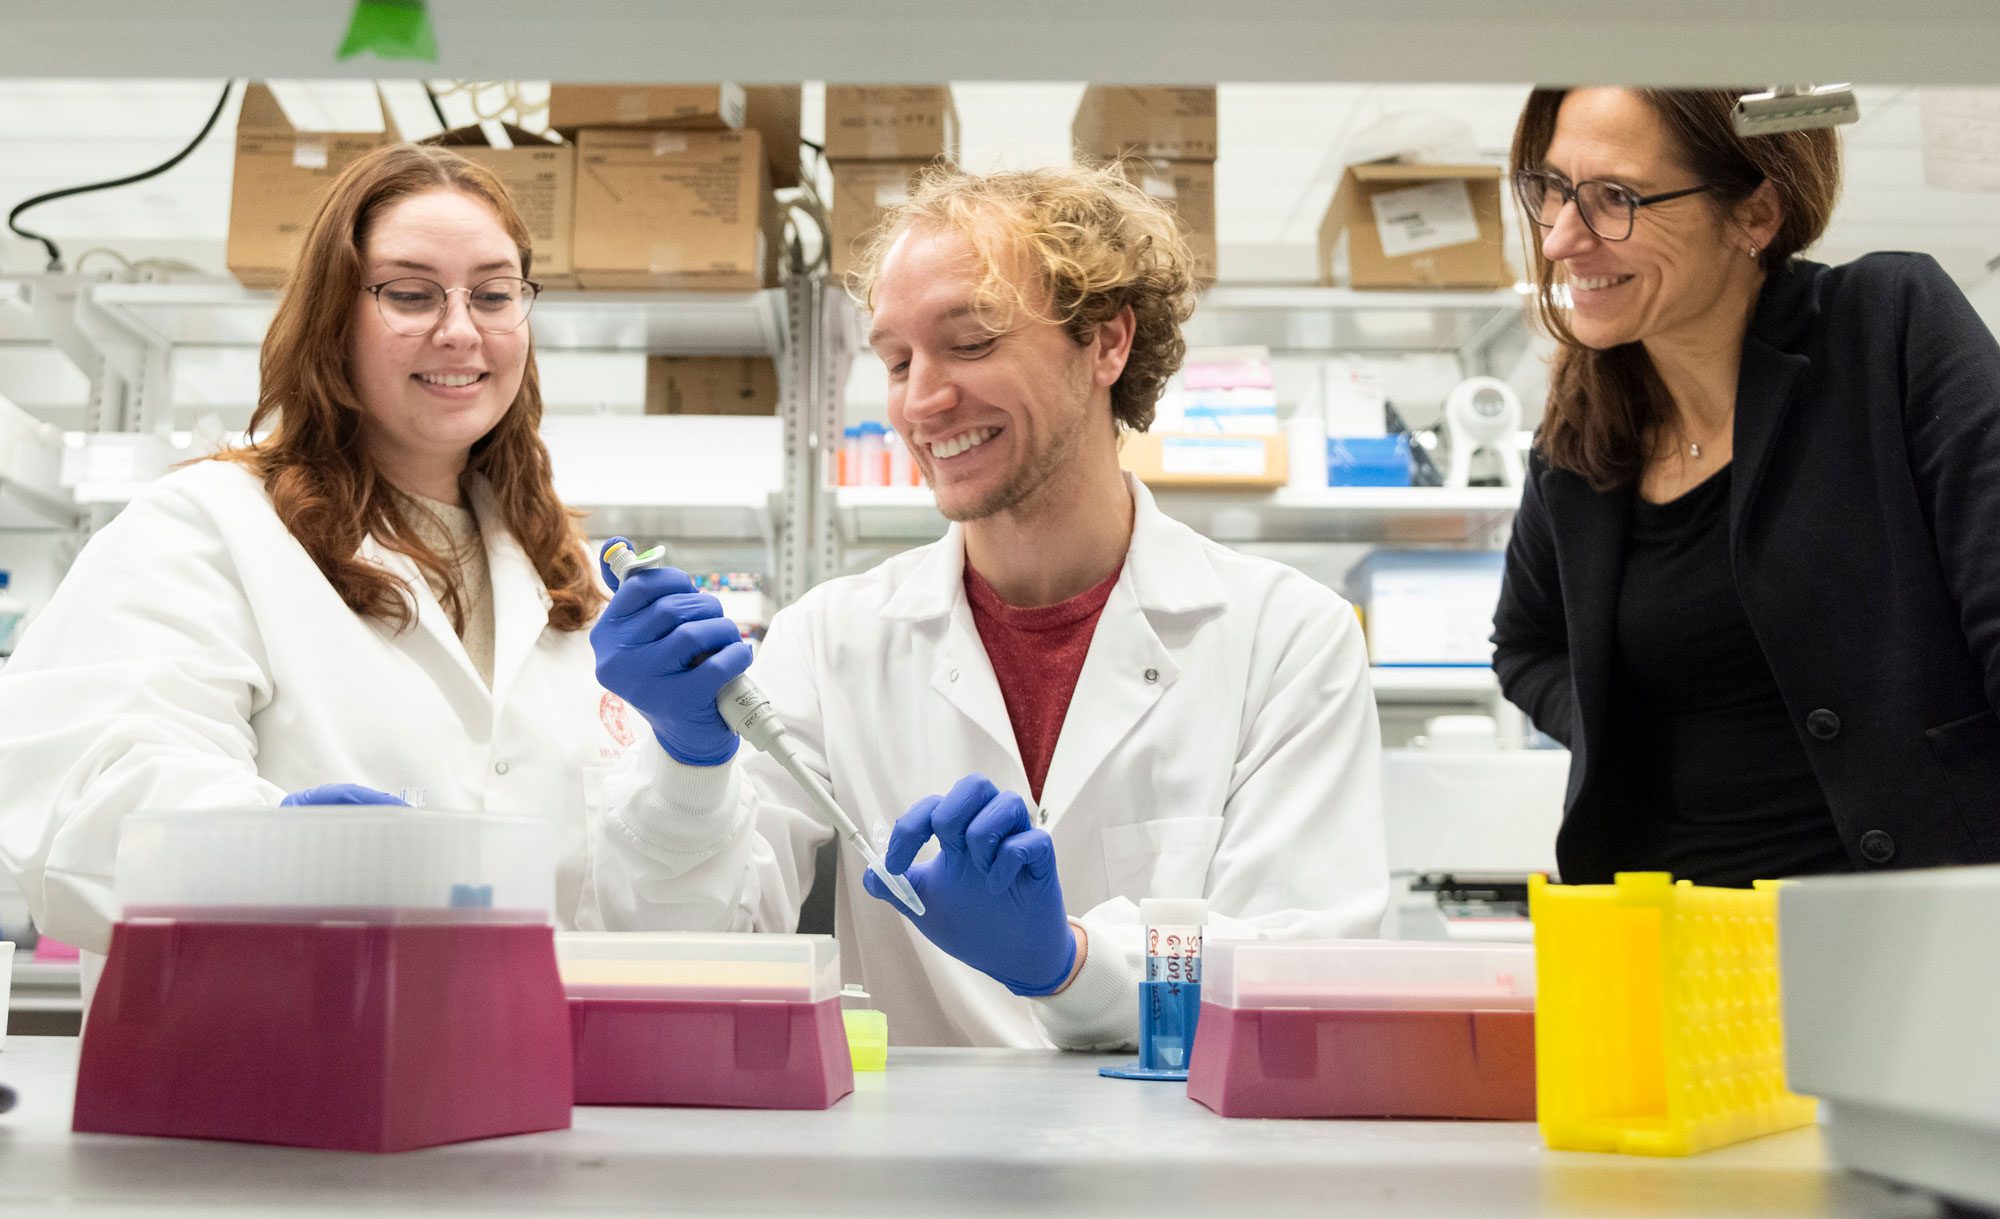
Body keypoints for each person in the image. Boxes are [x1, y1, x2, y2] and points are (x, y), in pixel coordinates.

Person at [587, 164, 1388, 1049]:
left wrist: (1070, 963)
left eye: (969, 343)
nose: (922, 401)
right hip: (921, 1179)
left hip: (1177, 1177)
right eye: (897, 361)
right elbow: (689, 957)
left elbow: (1308, 968)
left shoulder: (1286, 638)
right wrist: (688, 769)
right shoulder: (829, 642)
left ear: (1107, 345)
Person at [0, 144, 628, 962]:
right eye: (410, 294)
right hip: (268, 1055)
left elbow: (629, 896)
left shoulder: (567, 578)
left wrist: (694, 768)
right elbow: (80, 797)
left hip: (520, 1062)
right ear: (333, 315)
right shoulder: (207, 529)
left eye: (495, 294)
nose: (460, 329)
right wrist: (275, 848)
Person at [1492, 87, 2000, 888]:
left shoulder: (1887, 329)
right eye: (1550, 189)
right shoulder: (1581, 433)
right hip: (1668, 949)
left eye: (1614, 199)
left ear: (1755, 216)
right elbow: (1525, 646)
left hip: (1907, 927)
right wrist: (1615, 727)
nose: (1559, 238)